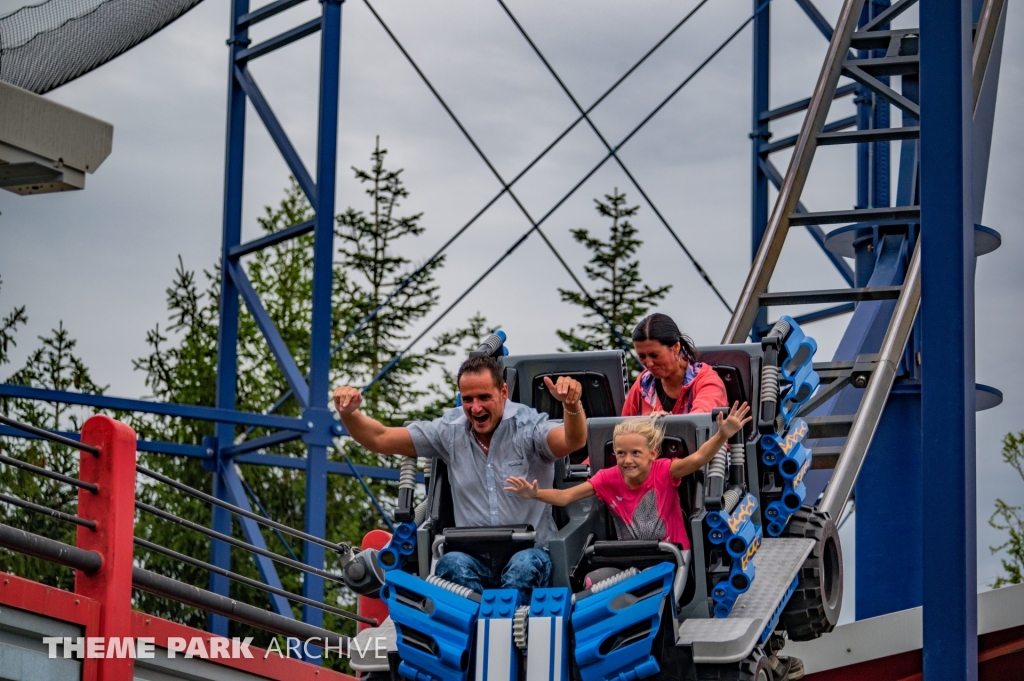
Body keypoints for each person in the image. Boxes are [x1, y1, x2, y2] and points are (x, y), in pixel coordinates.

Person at [332, 355, 586, 601]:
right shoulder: (449, 431)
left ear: (503, 392)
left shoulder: (527, 427)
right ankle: (473, 624)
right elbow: (380, 438)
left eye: (484, 397)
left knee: (523, 566)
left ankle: (507, 622)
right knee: (450, 563)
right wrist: (349, 414)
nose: (476, 408)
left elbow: (572, 440)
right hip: (473, 559)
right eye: (468, 399)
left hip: (530, 553)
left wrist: (572, 406)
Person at [505, 402, 751, 551]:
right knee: (593, 581)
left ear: (652, 454)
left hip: (671, 553)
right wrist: (535, 494)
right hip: (631, 556)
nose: (627, 460)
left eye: (635, 453)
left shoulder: (663, 470)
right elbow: (566, 497)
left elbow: (698, 459)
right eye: (621, 453)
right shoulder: (607, 478)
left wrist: (722, 435)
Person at [624, 313, 729, 416]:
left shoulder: (707, 382)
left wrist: (663, 423)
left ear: (675, 347)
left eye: (654, 355)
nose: (649, 364)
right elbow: (622, 424)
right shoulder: (643, 384)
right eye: (642, 356)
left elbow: (700, 421)